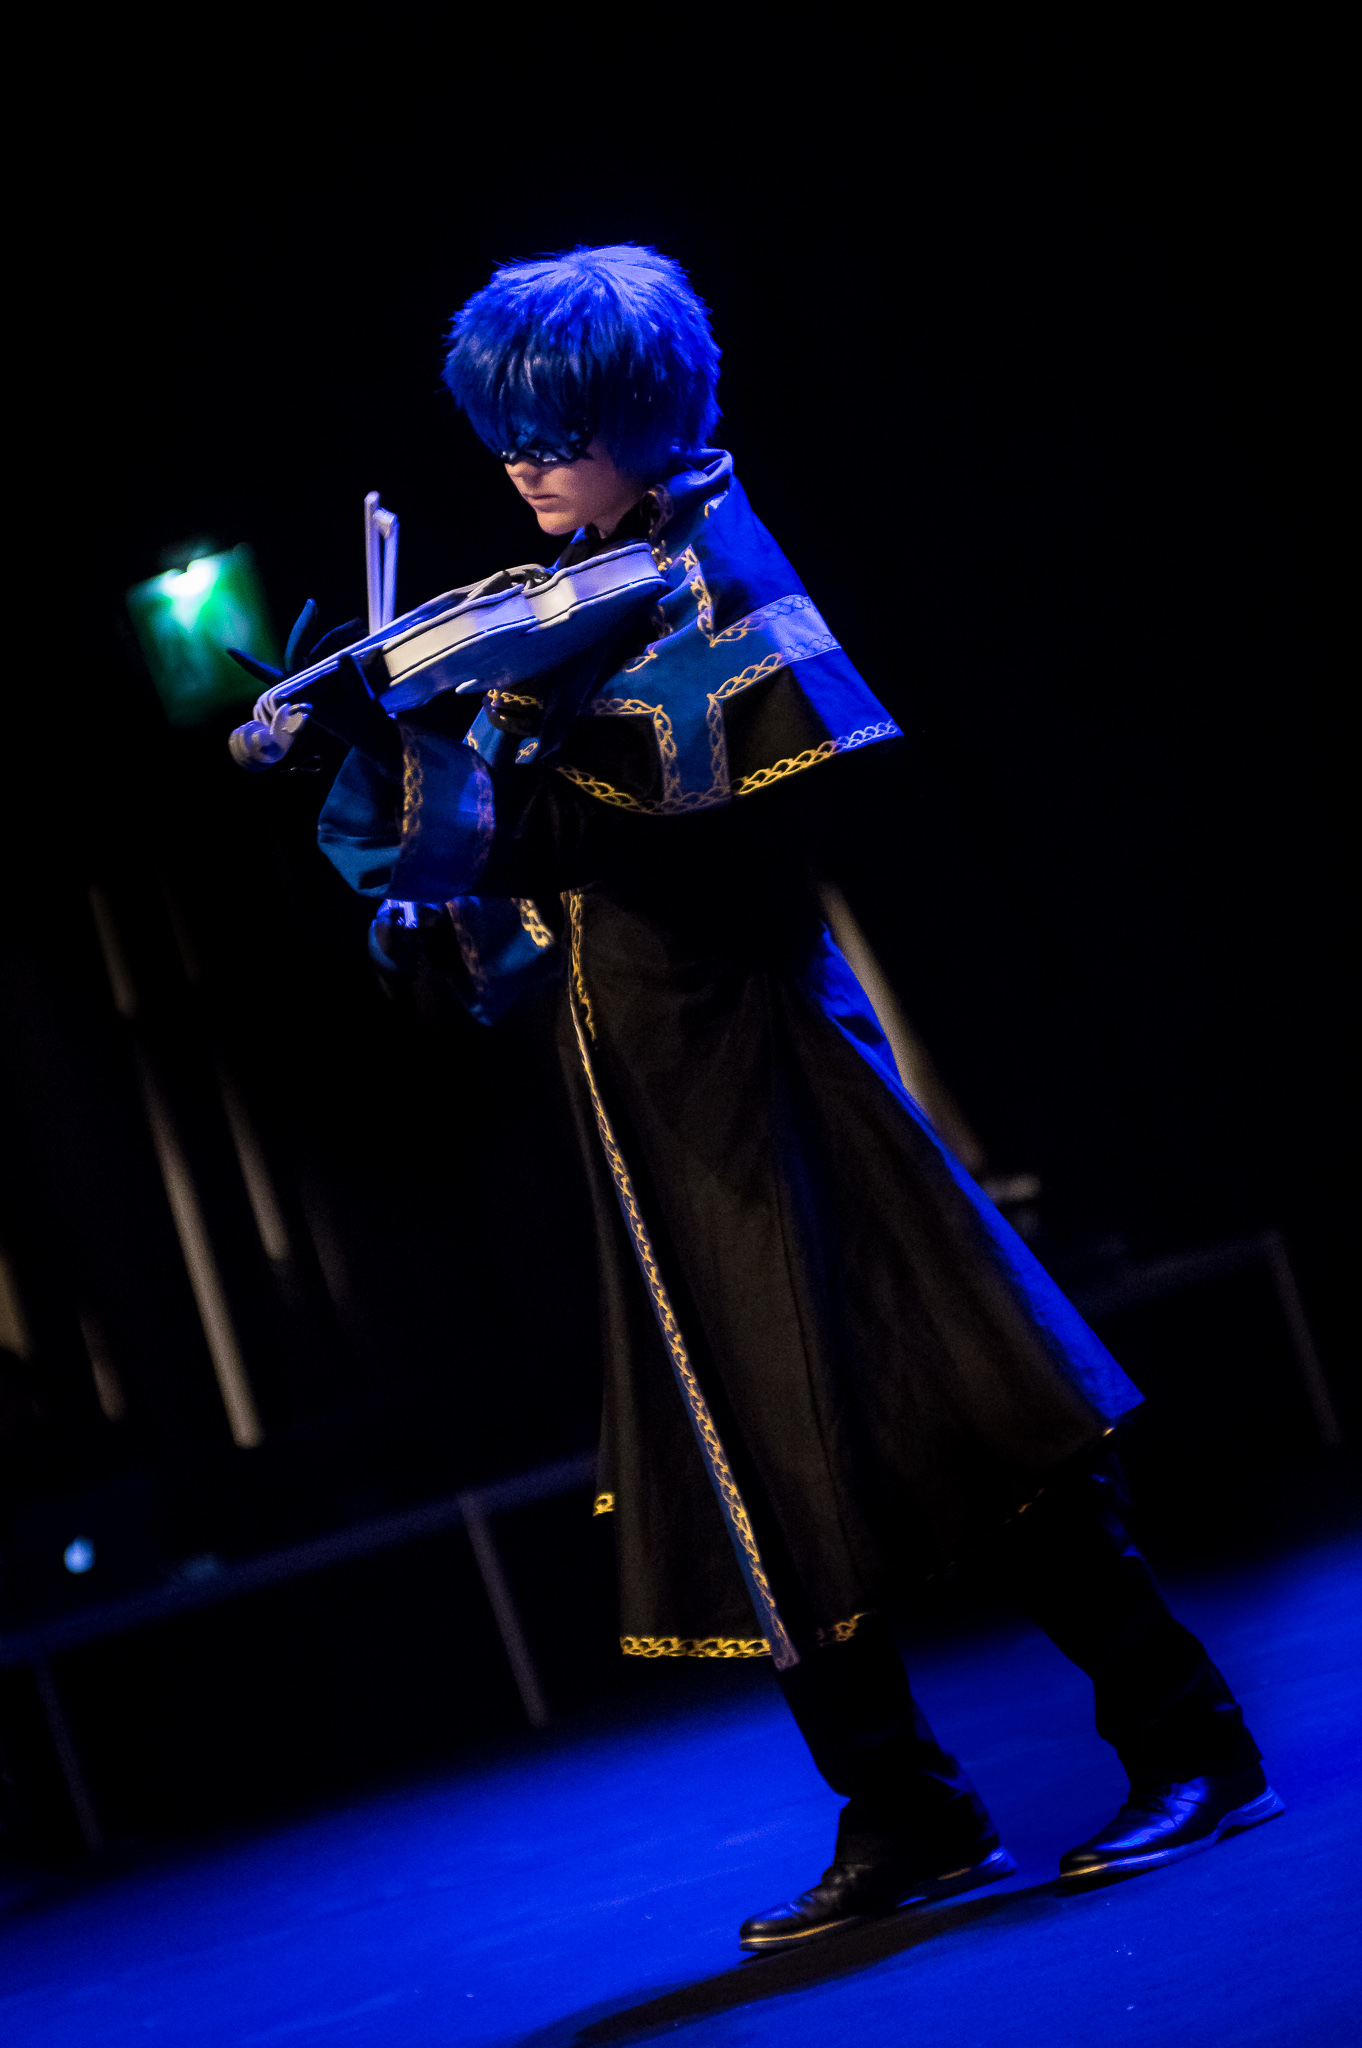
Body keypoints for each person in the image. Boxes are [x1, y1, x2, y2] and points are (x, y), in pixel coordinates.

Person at [307, 244, 1281, 1950]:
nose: (522, 465)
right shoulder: (574, 598)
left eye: (556, 430)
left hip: (772, 1065)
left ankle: (1190, 1740)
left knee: (965, 1401)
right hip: (654, 1105)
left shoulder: (709, 577)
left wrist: (458, 798)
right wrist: (429, 892)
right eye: (504, 433)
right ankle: (902, 1806)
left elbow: (685, 838)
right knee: (746, 1454)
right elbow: (549, 886)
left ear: (641, 415)